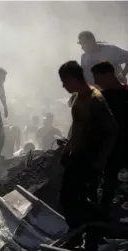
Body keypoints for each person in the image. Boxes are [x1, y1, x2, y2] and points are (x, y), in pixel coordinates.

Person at [58, 61, 118, 249]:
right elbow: (77, 127)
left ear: (73, 79)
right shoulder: (79, 97)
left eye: (64, 81)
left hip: (88, 159)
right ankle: (83, 234)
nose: (63, 86)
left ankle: (101, 226)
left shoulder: (95, 99)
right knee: (71, 199)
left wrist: (100, 162)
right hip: (77, 157)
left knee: (74, 199)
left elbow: (112, 131)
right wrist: (68, 148)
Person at [91, 61, 128, 216]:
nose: (95, 82)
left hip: (116, 151)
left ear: (108, 75)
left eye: (97, 78)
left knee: (110, 189)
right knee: (109, 190)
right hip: (113, 153)